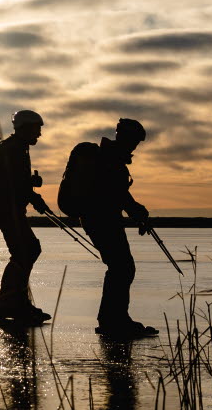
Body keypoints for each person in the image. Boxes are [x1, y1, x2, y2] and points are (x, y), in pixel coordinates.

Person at [0, 110, 52, 326]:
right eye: (37, 129)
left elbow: (16, 182)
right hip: (6, 209)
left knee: (26, 250)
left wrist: (32, 192)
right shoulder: (13, 149)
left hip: (7, 208)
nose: (39, 134)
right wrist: (33, 196)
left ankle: (18, 304)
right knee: (26, 250)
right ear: (25, 128)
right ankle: (10, 305)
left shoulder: (17, 148)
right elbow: (12, 184)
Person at [79, 118, 156, 338]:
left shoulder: (111, 159)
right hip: (102, 221)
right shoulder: (110, 161)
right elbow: (118, 195)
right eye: (133, 140)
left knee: (121, 267)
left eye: (136, 142)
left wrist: (136, 212)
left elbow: (120, 196)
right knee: (122, 267)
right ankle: (114, 321)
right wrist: (137, 212)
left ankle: (114, 319)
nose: (134, 146)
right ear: (122, 136)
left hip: (101, 221)